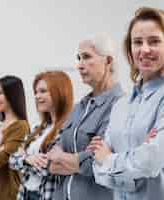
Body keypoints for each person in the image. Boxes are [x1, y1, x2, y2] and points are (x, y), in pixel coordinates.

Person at [88, 7, 164, 200]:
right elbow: (97, 170)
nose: (144, 49)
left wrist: (109, 159)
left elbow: (151, 161)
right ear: (130, 49)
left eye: (154, 41)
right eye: (137, 42)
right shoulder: (121, 105)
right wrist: (134, 160)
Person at [46, 33, 123, 200]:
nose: (80, 65)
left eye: (86, 57)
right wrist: (70, 159)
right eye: (78, 58)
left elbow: (97, 162)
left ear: (108, 61)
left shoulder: (120, 106)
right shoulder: (79, 107)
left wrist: (61, 157)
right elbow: (51, 156)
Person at [9, 71, 73, 200]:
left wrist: (25, 157)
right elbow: (12, 159)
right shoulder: (37, 129)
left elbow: (49, 168)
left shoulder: (67, 130)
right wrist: (27, 159)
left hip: (46, 195)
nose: (37, 96)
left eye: (43, 91)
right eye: (36, 92)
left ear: (59, 92)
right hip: (25, 193)